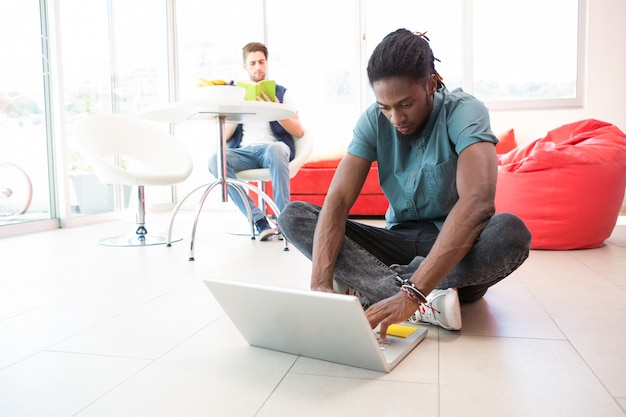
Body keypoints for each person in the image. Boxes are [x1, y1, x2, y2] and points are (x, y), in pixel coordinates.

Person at [278, 29, 532, 341]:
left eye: (405, 104)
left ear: (431, 83)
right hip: (396, 243)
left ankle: (385, 289)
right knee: (294, 216)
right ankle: (433, 299)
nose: (395, 117)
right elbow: (338, 201)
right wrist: (319, 285)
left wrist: (410, 294)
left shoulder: (464, 110)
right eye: (385, 107)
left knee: (510, 233)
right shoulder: (373, 120)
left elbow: (479, 200)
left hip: (456, 246)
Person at [209, 42, 304, 240]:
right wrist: (236, 110)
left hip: (271, 149)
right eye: (252, 63)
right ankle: (258, 220)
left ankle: (283, 221)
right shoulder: (235, 94)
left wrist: (277, 109)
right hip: (244, 152)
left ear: (267, 63)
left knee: (278, 149)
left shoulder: (281, 93)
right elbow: (223, 137)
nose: (258, 67)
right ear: (245, 66)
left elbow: (299, 130)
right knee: (214, 161)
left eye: (261, 62)